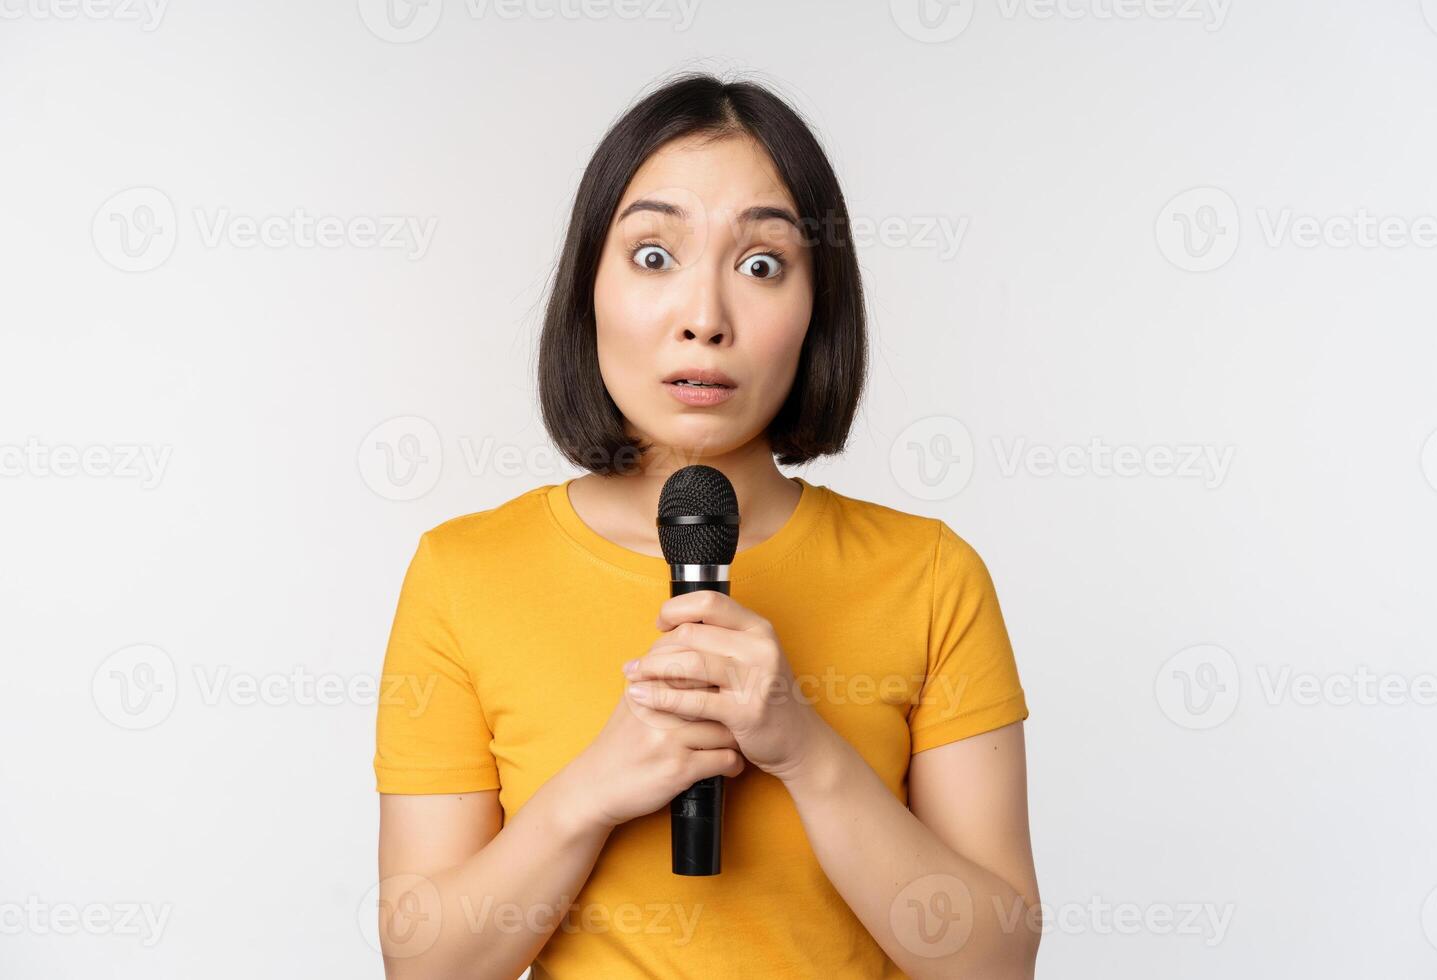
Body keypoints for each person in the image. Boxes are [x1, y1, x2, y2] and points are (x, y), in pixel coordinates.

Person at [373, 70, 1040, 979]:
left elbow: (995, 964)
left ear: (817, 308)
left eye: (761, 265)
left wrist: (805, 750)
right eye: (654, 256)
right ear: (589, 289)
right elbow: (426, 967)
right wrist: (590, 794)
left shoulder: (930, 574)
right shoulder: (463, 573)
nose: (704, 319)